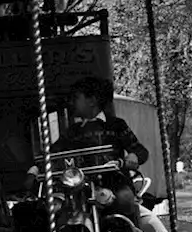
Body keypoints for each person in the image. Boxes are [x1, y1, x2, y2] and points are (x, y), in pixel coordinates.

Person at [52, 76, 147, 223]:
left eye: (76, 98)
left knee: (125, 199)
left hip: (114, 182)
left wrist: (133, 156)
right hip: (82, 185)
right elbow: (54, 151)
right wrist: (35, 169)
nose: (72, 103)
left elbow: (140, 150)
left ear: (92, 101)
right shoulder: (72, 132)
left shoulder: (116, 125)